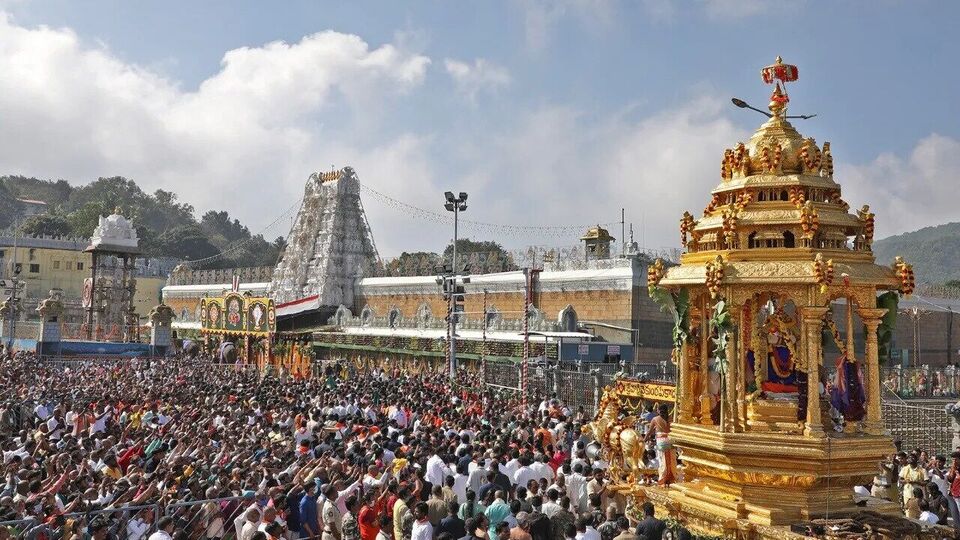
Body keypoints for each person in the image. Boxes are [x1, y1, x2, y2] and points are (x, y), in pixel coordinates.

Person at [645, 405, 677, 486]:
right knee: (671, 460)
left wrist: (643, 440)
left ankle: (663, 479)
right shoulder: (671, 419)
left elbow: (649, 432)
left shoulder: (655, 419)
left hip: (662, 441)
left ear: (659, 411)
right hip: (670, 440)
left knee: (662, 460)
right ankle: (671, 478)